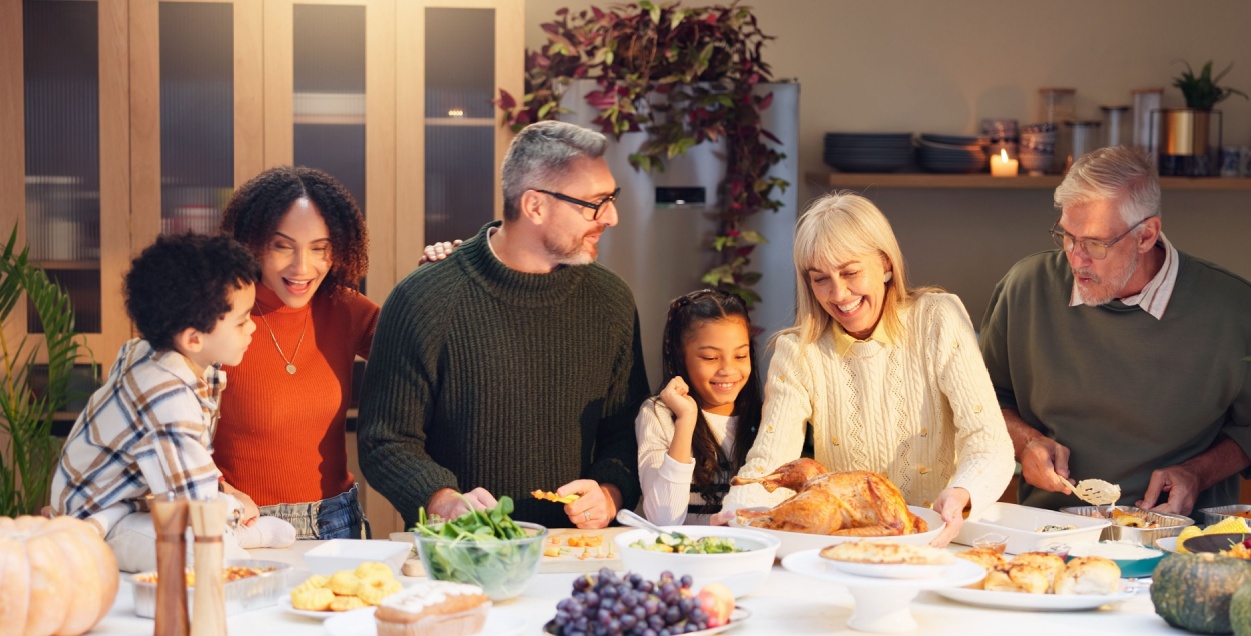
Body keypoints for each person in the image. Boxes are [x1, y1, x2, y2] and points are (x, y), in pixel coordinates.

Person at [358, 120, 649, 531]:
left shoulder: (611, 301)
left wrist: (609, 493)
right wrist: (444, 502)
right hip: (461, 555)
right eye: (595, 203)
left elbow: (627, 432)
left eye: (611, 197)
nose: (612, 217)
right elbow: (385, 439)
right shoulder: (423, 298)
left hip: (578, 556)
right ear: (535, 206)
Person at [980, 145, 1251, 516]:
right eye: (1067, 236)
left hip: (1181, 539)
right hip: (1050, 535)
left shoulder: (1236, 311)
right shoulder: (1025, 288)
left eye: (1094, 243)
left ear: (1146, 235)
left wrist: (1198, 474)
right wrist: (1026, 443)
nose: (1075, 258)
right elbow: (984, 398)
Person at [722, 192, 1015, 546]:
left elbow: (989, 442)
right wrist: (738, 512)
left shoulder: (938, 318)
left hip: (939, 539)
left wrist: (963, 493)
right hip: (847, 547)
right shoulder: (797, 352)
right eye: (820, 278)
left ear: (886, 264)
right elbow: (771, 464)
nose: (839, 293)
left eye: (850, 272)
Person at [51, 233, 295, 572]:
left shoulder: (155, 353)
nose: (252, 327)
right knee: (211, 557)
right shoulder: (167, 398)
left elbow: (186, 463)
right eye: (242, 321)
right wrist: (233, 509)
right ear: (194, 338)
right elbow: (192, 503)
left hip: (136, 503)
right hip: (97, 521)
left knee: (208, 531)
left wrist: (225, 493)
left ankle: (232, 532)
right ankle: (236, 535)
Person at [215, 166, 380, 540]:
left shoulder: (344, 308)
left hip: (337, 523)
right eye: (282, 246)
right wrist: (215, 489)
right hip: (244, 524)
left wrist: (435, 281)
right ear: (251, 241)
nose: (302, 267)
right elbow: (166, 426)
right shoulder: (217, 313)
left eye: (319, 248)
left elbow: (426, 351)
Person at [637, 289, 763, 525]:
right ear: (679, 357)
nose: (728, 370)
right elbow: (664, 519)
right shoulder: (659, 414)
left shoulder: (763, 417)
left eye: (740, 356)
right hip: (683, 557)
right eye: (710, 358)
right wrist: (686, 420)